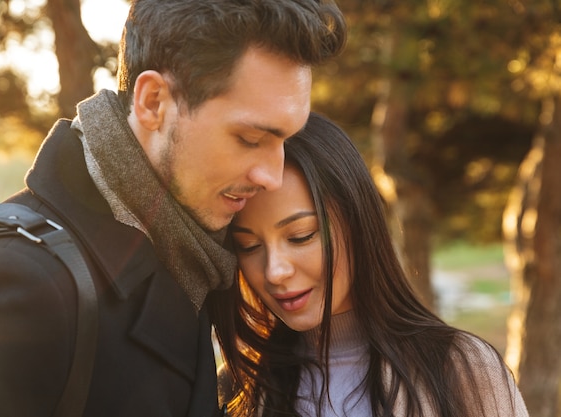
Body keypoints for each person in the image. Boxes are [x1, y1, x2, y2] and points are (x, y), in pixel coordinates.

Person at [0, 1, 347, 416]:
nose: (271, 176)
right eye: (250, 139)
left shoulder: (192, 260)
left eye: (285, 141)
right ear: (153, 102)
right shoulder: (14, 280)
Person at [210, 112, 529, 417]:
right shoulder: (240, 386)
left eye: (300, 236)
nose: (275, 271)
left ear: (357, 223)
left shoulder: (462, 370)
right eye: (249, 246)